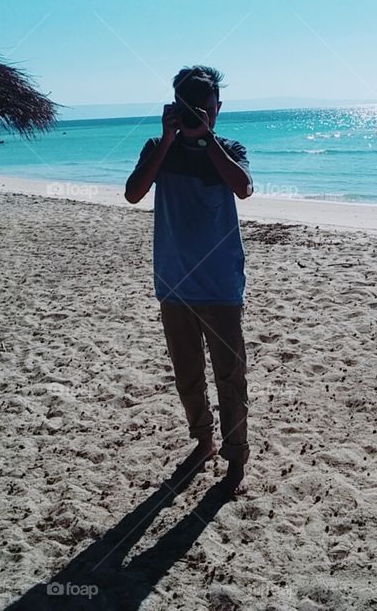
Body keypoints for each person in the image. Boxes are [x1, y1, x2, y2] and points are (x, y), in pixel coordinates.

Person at [125, 65, 254, 493]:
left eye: (210, 108)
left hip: (220, 285)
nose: (206, 114)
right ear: (176, 107)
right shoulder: (158, 149)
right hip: (174, 283)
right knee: (188, 376)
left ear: (219, 107)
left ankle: (237, 455)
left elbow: (243, 187)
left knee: (230, 376)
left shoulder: (229, 148)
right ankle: (203, 441)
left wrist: (206, 137)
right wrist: (167, 139)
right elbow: (133, 192)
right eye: (196, 108)